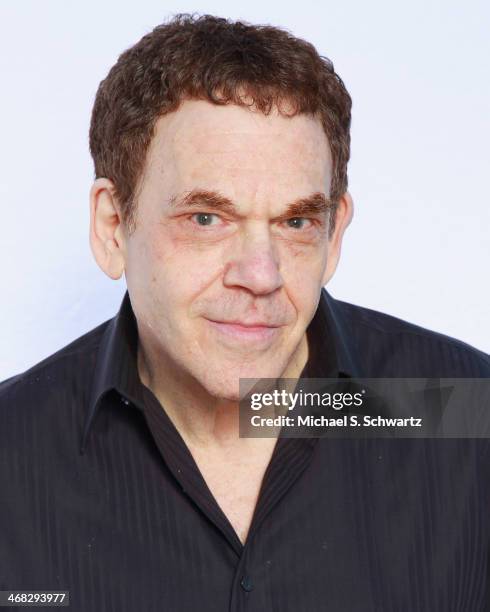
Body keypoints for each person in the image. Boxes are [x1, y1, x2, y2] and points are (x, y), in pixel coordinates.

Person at [1, 14, 488, 612]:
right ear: (111, 228)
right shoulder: (10, 453)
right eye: (206, 219)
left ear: (334, 236)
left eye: (296, 222)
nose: (261, 276)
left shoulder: (468, 415)